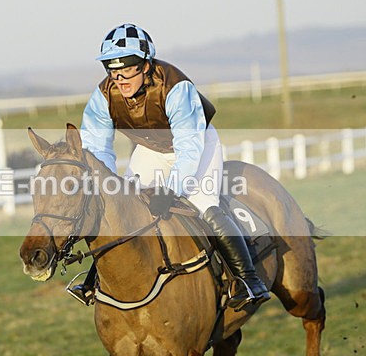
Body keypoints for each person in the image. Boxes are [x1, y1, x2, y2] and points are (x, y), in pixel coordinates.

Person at [73, 23, 270, 310]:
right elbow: (96, 148)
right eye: (112, 70)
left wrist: (171, 189)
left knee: (202, 201)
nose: (120, 78)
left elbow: (189, 147)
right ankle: (94, 281)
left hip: (196, 145)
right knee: (126, 204)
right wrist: (107, 187)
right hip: (152, 149)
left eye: (127, 69)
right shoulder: (103, 96)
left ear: (146, 64)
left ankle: (248, 280)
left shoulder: (176, 86)